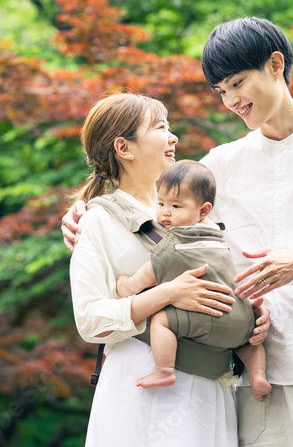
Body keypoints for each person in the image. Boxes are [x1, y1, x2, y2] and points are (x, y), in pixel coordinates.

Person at [65, 18, 293, 446]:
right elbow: (156, 201)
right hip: (258, 374)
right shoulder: (218, 166)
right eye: (221, 91)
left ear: (276, 65)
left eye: (238, 84)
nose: (231, 101)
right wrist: (86, 208)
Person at [68, 92, 269, 447]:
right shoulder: (97, 220)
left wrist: (249, 312)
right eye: (161, 128)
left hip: (208, 383)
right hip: (143, 383)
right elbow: (89, 320)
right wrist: (167, 294)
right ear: (124, 148)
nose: (173, 137)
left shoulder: (196, 212)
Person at [113, 159, 271, 399]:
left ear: (203, 210)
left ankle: (164, 370)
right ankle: (258, 375)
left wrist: (125, 284)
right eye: (161, 203)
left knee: (161, 320)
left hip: (207, 318)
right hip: (240, 320)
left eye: (176, 206)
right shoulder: (218, 238)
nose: (165, 212)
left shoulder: (172, 245)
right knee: (248, 342)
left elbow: (140, 281)